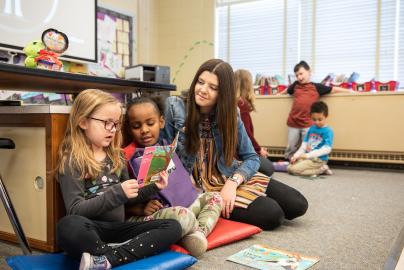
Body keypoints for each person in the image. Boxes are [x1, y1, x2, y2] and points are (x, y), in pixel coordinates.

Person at [162, 58, 308, 230]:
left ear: (224, 92)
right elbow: (163, 155)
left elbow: (251, 157)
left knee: (297, 204)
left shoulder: (232, 113)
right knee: (273, 215)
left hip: (227, 174)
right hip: (199, 187)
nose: (202, 90)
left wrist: (232, 183)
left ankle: (239, 192)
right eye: (200, 82)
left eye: (213, 87)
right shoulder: (174, 106)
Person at [55, 89, 182, 270]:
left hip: (119, 229)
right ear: (83, 121)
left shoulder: (116, 156)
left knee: (172, 227)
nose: (113, 130)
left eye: (115, 124)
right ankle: (115, 254)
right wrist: (117, 192)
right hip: (92, 229)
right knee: (67, 226)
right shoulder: (72, 160)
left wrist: (155, 187)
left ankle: (106, 259)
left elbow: (129, 195)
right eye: (107, 123)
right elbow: (75, 210)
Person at [122, 96, 222, 257]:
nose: (144, 130)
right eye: (136, 126)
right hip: (154, 216)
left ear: (161, 122)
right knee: (183, 215)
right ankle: (189, 232)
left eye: (150, 123)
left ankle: (197, 234)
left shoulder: (164, 144)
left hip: (182, 205)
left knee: (215, 197)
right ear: (129, 128)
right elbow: (117, 200)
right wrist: (138, 208)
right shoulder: (127, 157)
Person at [279, 61, 352, 160]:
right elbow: (287, 90)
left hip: (308, 124)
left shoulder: (317, 87)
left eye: (301, 73)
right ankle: (288, 160)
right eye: (297, 75)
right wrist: (279, 94)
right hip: (293, 122)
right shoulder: (295, 85)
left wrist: (350, 91)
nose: (299, 77)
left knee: (308, 146)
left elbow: (333, 89)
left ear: (309, 71)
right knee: (291, 145)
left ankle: (306, 162)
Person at [234, 69, 274, 177]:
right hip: (239, 154)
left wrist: (258, 148)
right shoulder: (242, 105)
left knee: (266, 165)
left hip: (236, 151)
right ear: (248, 86)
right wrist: (259, 150)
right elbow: (246, 134)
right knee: (269, 168)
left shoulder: (235, 102)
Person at [287, 101, 333, 176]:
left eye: (320, 119)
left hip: (318, 160)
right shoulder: (311, 129)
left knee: (293, 170)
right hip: (308, 158)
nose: (317, 122)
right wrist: (296, 156)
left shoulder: (328, 131)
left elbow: (327, 149)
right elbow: (304, 145)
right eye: (314, 119)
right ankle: (321, 169)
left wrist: (308, 155)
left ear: (326, 116)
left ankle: (321, 169)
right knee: (289, 167)